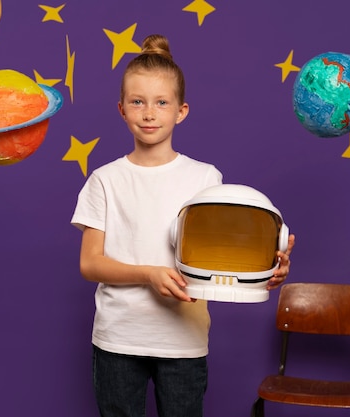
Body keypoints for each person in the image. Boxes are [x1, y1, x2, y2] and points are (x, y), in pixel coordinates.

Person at [70, 34, 295, 417]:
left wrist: (269, 268)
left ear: (181, 111)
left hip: (184, 342)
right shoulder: (105, 180)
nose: (148, 113)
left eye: (161, 103)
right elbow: (90, 263)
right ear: (121, 109)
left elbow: (228, 254)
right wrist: (148, 274)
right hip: (118, 339)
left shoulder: (206, 179)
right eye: (137, 102)